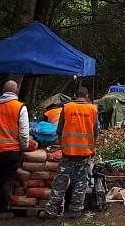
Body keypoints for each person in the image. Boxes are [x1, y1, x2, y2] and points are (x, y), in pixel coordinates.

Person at [39, 86, 98, 220]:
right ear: (87, 96)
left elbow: (59, 131)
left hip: (68, 152)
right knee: (81, 182)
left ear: (74, 95)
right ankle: (75, 210)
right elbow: (96, 133)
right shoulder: (93, 109)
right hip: (85, 152)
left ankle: (52, 210)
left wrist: (62, 145)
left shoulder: (67, 108)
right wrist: (92, 149)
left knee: (61, 180)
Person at [0, 80, 29, 220]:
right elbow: (24, 133)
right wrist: (24, 148)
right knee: (6, 180)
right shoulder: (20, 107)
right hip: (12, 151)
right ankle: (2, 211)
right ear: (16, 90)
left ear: (3, 90)